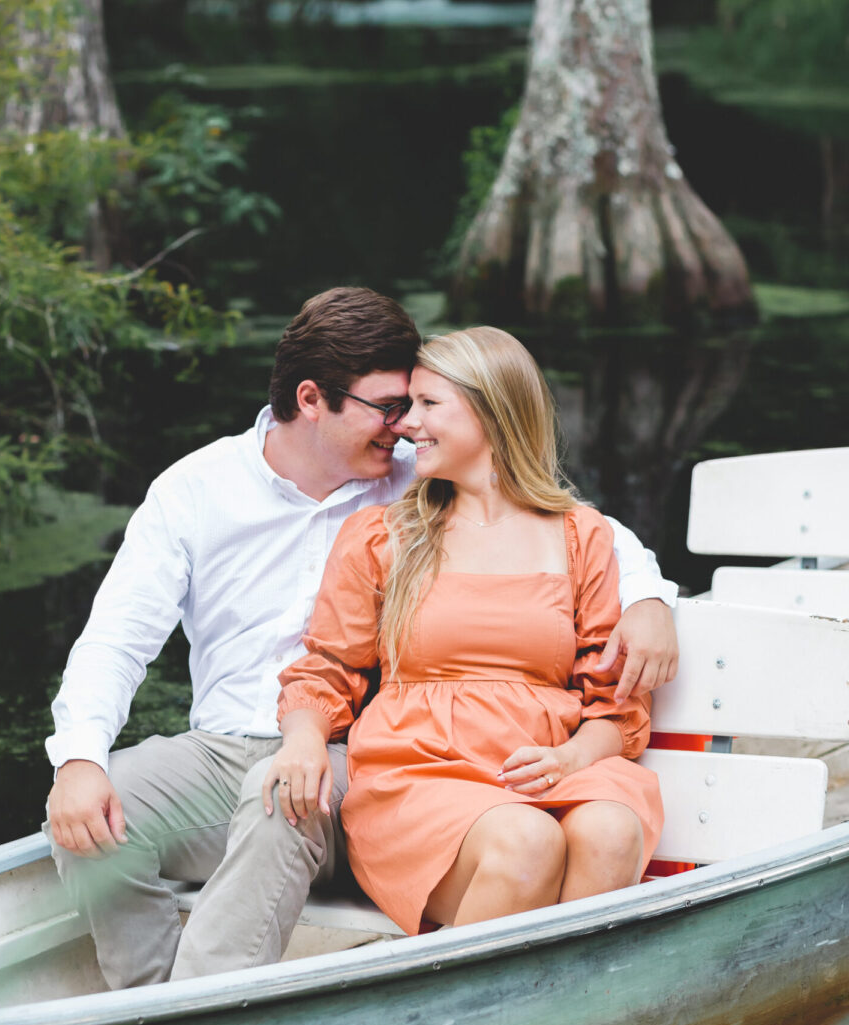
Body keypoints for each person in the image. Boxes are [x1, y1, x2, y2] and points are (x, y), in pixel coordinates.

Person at [44, 291, 677, 988]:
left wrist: (649, 597)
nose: (403, 426)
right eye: (388, 407)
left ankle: (194, 1017)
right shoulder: (197, 490)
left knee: (279, 796)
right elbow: (115, 640)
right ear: (313, 399)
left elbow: (568, 522)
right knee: (97, 813)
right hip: (234, 747)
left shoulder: (419, 478)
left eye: (417, 405)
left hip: (362, 758)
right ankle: (151, 1007)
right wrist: (79, 758)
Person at [266, 327, 664, 935]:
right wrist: (303, 740)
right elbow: (328, 670)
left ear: (491, 408)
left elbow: (612, 704)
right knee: (526, 840)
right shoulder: (385, 535)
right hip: (424, 771)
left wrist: (569, 757)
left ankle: (559, 1022)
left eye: (428, 405)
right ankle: (465, 1022)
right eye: (405, 407)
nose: (405, 425)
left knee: (610, 830)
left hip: (552, 761)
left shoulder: (580, 535)